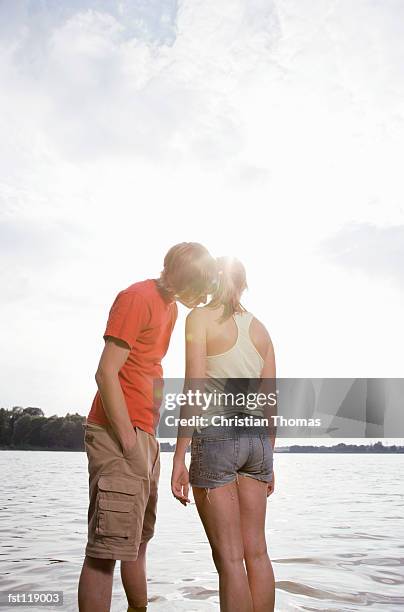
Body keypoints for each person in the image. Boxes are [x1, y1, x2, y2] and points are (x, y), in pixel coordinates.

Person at [78, 242, 217, 612]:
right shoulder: (136, 298)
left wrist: (147, 443)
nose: (202, 298)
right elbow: (105, 372)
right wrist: (127, 441)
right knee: (105, 551)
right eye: (200, 289)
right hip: (119, 435)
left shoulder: (170, 308)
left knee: (137, 541)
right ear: (184, 280)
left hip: (145, 436)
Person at [171, 256, 277, 612]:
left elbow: (194, 388)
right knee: (257, 552)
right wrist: (270, 460)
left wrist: (179, 454)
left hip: (216, 437)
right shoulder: (261, 330)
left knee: (230, 560)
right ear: (243, 285)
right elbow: (270, 402)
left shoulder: (198, 319)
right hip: (257, 441)